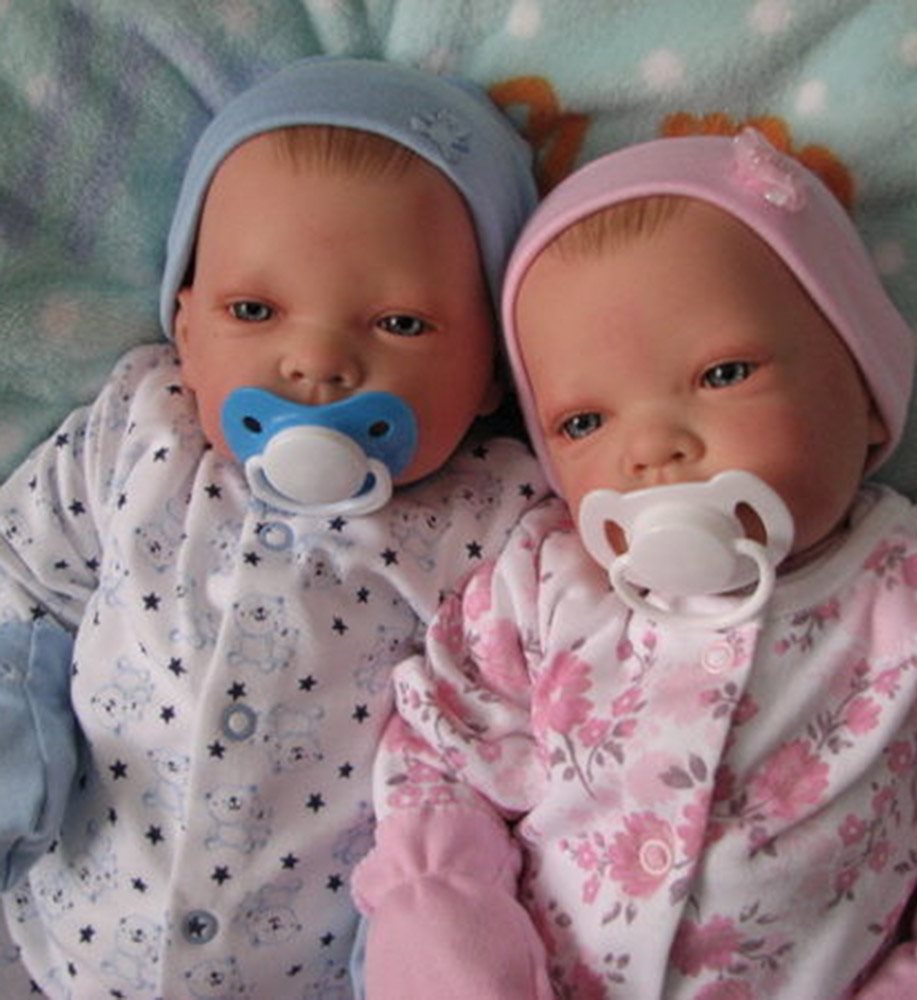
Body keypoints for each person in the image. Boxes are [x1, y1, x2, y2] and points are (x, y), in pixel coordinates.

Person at [352, 129, 917, 999]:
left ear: (869, 394)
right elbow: (441, 757)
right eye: (584, 423)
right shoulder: (543, 584)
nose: (652, 447)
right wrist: (447, 933)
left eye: (722, 373)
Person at [0, 56, 545, 998]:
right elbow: (23, 566)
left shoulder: (497, 522)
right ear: (186, 329)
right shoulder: (144, 432)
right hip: (54, 941)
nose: (317, 360)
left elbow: (529, 713)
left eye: (401, 323)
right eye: (253, 310)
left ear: (494, 368)